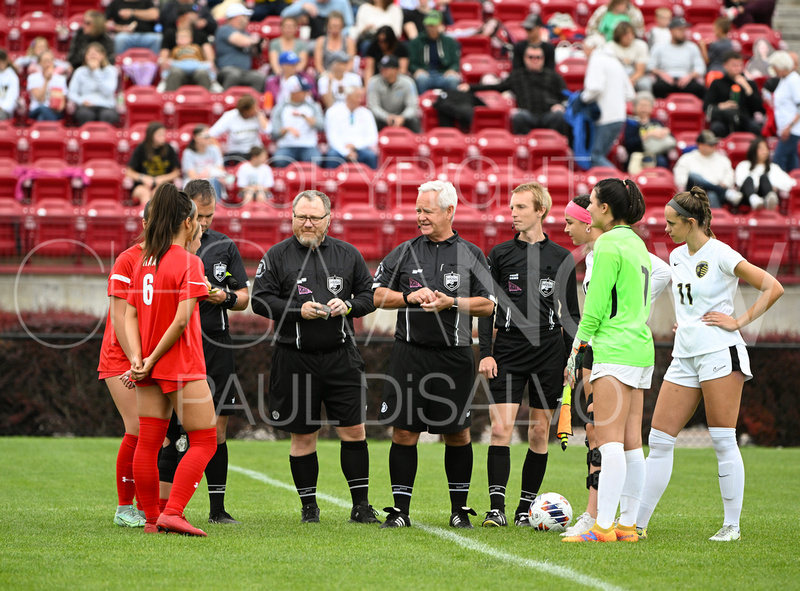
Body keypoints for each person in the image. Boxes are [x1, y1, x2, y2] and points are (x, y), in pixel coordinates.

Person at [636, 187, 784, 542]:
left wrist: (738, 321)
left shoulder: (721, 253)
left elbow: (773, 287)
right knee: (658, 439)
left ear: (691, 222)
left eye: (672, 224)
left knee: (722, 440)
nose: (666, 230)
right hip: (684, 354)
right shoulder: (674, 256)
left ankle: (731, 526)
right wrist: (685, 323)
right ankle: (636, 525)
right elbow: (689, 304)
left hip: (720, 353)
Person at [251, 189, 380, 524]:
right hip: (294, 359)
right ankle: (309, 508)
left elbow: (369, 296)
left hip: (341, 357)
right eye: (300, 217)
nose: (307, 223)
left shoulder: (348, 255)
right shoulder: (277, 255)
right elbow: (260, 300)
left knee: (353, 431)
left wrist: (349, 305)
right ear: (292, 217)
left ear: (328, 220)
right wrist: (297, 310)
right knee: (303, 435)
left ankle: (360, 506)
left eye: (314, 217)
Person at [373, 180, 496, 529]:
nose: (420, 217)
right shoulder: (405, 251)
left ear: (449, 211)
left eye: (427, 211)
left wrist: (451, 302)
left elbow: (489, 304)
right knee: (403, 433)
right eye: (417, 211)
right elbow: (375, 294)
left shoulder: (471, 254)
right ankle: (400, 512)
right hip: (409, 354)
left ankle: (459, 510)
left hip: (454, 356)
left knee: (457, 433)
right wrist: (409, 298)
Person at [559, 192, 671, 538]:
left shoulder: (607, 244)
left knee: (609, 444)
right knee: (632, 444)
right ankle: (627, 525)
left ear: (605, 209)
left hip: (613, 350)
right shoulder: (637, 243)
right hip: (640, 350)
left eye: (591, 203)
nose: (588, 210)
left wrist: (576, 350)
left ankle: (602, 526)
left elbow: (593, 308)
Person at [477, 182, 580, 528]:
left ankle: (524, 509)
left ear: (540, 211)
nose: (513, 213)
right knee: (501, 428)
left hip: (549, 352)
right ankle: (496, 508)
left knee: (539, 432)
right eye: (511, 207)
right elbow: (486, 308)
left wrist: (572, 362)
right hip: (507, 350)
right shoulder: (500, 254)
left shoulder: (562, 257)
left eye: (521, 207)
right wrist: (486, 353)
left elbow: (571, 316)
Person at [124, 183, 218, 536]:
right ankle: (173, 511)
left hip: (146, 364)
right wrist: (153, 359)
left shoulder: (145, 261)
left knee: (148, 442)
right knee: (205, 439)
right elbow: (181, 321)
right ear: (189, 223)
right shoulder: (190, 262)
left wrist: (139, 358)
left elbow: (129, 314)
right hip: (180, 364)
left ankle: (150, 519)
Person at [182, 179, 251, 524]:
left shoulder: (224, 246)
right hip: (177, 344)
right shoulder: (170, 246)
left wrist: (222, 297)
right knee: (172, 430)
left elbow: (243, 298)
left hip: (216, 346)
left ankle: (217, 509)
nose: (205, 222)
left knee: (217, 429)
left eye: (210, 215)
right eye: (200, 214)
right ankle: (164, 506)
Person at [97, 201, 153, 530]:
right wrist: (135, 359)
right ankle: (124, 507)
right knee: (137, 428)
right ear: (146, 221)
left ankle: (147, 507)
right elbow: (119, 318)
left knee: (153, 432)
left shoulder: (166, 260)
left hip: (147, 356)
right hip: (123, 357)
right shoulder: (127, 259)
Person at [460, 45, 569, 137]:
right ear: (525, 58)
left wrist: (560, 105)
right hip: (527, 114)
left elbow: (566, 95)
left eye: (538, 57)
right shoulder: (517, 75)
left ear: (543, 59)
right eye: (531, 57)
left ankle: (554, 146)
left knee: (559, 116)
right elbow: (497, 87)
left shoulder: (554, 76)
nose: (534, 60)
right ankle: (525, 148)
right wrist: (470, 87)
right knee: (519, 116)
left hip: (549, 114)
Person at [582, 35, 635, 169]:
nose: (584, 53)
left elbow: (595, 88)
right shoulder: (615, 61)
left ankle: (620, 184)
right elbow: (630, 93)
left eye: (585, 49)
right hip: (619, 117)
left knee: (595, 157)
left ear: (592, 47)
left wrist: (581, 99)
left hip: (605, 118)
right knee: (599, 156)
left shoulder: (597, 59)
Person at [673, 130, 740, 209]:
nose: (713, 146)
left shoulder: (723, 159)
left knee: (711, 194)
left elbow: (730, 175)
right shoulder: (686, 158)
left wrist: (725, 183)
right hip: (695, 195)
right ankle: (726, 193)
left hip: (718, 195)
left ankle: (721, 195)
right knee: (693, 176)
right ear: (700, 145)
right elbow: (681, 179)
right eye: (710, 144)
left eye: (714, 144)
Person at [704, 51, 763, 139]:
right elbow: (706, 106)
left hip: (743, 118)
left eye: (740, 65)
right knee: (717, 128)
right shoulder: (717, 83)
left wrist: (747, 88)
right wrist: (721, 106)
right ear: (725, 66)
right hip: (723, 118)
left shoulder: (750, 84)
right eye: (734, 65)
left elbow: (759, 107)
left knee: (754, 127)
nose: (738, 68)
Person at [271, 76, 324, 167]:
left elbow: (321, 126)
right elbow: (274, 134)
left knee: (314, 159)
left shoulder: (313, 106)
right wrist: (287, 129)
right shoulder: (280, 108)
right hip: (286, 146)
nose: (307, 93)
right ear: (294, 92)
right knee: (280, 160)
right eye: (303, 91)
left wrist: (305, 117)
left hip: (308, 145)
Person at [648, 17, 706, 100]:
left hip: (686, 79)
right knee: (657, 87)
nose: (684, 33)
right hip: (666, 79)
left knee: (700, 89)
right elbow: (650, 66)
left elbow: (700, 68)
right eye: (680, 30)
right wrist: (662, 74)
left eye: (685, 30)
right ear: (671, 31)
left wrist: (689, 76)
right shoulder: (659, 47)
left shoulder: (692, 47)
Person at [126, 121, 181, 206]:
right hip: (142, 185)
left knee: (160, 193)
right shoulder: (141, 148)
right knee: (144, 193)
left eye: (164, 134)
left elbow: (176, 172)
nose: (163, 137)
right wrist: (143, 178)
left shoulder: (169, 149)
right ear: (151, 135)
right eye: (160, 135)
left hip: (163, 184)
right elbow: (129, 172)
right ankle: (146, 217)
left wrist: (163, 178)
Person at [208, 94, 271, 166]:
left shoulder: (258, 116)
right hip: (237, 152)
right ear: (245, 111)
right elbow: (211, 133)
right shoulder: (229, 116)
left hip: (255, 151)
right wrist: (218, 149)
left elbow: (267, 130)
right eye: (253, 108)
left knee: (263, 157)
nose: (255, 110)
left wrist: (261, 116)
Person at [324, 87, 379, 169]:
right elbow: (332, 137)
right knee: (333, 156)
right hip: (339, 149)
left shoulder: (367, 113)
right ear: (348, 96)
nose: (360, 100)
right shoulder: (333, 112)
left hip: (360, 148)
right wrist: (346, 152)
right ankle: (331, 181)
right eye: (357, 96)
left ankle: (371, 181)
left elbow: (373, 137)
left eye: (362, 97)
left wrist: (356, 145)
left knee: (370, 156)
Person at [215, 4, 266, 91]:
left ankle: (252, 102)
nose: (247, 19)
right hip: (227, 70)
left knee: (259, 78)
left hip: (245, 71)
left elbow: (254, 52)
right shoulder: (224, 29)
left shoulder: (246, 34)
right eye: (245, 16)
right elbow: (243, 42)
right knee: (234, 75)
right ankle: (226, 99)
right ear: (237, 17)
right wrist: (256, 40)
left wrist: (259, 46)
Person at [734, 137, 795, 209]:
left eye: (766, 149)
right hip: (747, 198)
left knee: (764, 178)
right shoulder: (743, 165)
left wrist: (775, 186)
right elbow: (739, 183)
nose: (765, 151)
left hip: (764, 197)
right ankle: (754, 199)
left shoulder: (773, 167)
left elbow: (790, 183)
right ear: (753, 150)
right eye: (761, 149)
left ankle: (770, 199)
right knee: (749, 179)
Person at [67, 43, 120, 127]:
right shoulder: (80, 71)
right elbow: (71, 92)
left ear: (103, 55)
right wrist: (81, 101)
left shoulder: (111, 70)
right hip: (85, 106)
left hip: (106, 105)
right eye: (89, 52)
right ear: (85, 57)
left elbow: (108, 91)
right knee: (85, 115)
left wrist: (96, 71)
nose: (92, 54)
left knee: (107, 116)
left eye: (96, 52)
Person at [408, 10, 461, 94]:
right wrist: (417, 69)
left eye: (433, 25)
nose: (431, 28)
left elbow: (455, 62)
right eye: (429, 25)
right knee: (421, 79)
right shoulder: (416, 42)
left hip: (443, 73)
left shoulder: (450, 41)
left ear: (440, 24)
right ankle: (422, 104)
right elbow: (412, 63)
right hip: (425, 73)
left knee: (453, 79)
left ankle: (453, 103)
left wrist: (452, 70)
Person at [367, 55, 421, 133]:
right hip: (382, 117)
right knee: (372, 119)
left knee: (414, 120)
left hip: (402, 116)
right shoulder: (374, 82)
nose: (382, 70)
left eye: (386, 68)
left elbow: (412, 106)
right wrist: (386, 117)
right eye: (381, 68)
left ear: (396, 70)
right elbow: (373, 106)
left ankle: (417, 142)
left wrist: (402, 117)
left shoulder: (408, 83)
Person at [767, 51, 800, 173]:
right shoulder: (784, 79)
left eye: (775, 67)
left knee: (778, 159)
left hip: (791, 129)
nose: (774, 70)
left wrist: (789, 127)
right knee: (792, 161)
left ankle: (779, 187)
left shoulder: (794, 80)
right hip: (786, 128)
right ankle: (796, 186)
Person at [624, 91, 674, 170]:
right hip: (639, 154)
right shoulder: (631, 123)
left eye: (646, 105)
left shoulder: (656, 122)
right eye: (641, 105)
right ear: (635, 107)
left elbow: (671, 137)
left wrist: (665, 132)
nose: (644, 108)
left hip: (657, 154)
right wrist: (649, 134)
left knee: (661, 161)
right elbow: (630, 144)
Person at [182, 124, 227, 202]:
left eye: (209, 136)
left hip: (213, 181)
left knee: (216, 181)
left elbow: (221, 170)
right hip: (196, 184)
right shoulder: (188, 153)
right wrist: (208, 173)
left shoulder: (214, 149)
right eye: (206, 136)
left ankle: (216, 207)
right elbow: (193, 176)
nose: (209, 138)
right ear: (196, 137)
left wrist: (209, 172)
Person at [609, 22, 652, 93]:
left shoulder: (641, 45)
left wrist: (631, 80)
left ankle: (645, 103)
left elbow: (640, 71)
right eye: (626, 34)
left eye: (631, 34)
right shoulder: (610, 47)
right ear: (619, 35)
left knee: (645, 83)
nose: (629, 37)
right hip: (616, 76)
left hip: (635, 76)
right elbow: (609, 69)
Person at [280, 0, 355, 40]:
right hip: (314, 40)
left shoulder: (342, 2)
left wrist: (336, 37)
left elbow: (350, 24)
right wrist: (302, 6)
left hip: (336, 40)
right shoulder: (309, 1)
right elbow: (284, 14)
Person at [27, 51, 67, 121]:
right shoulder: (32, 78)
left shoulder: (61, 79)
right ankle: (54, 129)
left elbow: (62, 104)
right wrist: (46, 81)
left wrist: (56, 107)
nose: (48, 64)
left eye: (51, 60)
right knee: (42, 108)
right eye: (45, 61)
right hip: (36, 109)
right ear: (39, 63)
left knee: (42, 117)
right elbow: (40, 99)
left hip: (54, 112)